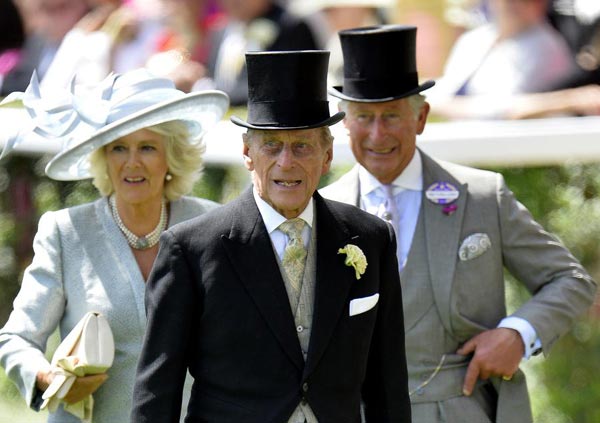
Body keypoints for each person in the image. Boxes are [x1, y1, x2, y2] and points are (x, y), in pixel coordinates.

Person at [320, 25, 597, 422]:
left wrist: (517, 334)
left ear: (421, 117)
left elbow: (571, 281)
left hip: (461, 408)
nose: (378, 134)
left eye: (392, 116)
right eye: (364, 117)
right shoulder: (323, 210)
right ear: (345, 124)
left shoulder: (482, 195)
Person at [131, 50, 411, 422]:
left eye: (302, 146)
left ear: (326, 156)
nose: (286, 162)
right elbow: (157, 390)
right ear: (248, 152)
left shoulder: (371, 239)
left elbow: (387, 384)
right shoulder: (191, 249)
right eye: (272, 145)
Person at [0, 69, 229, 422]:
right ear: (104, 157)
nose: (131, 162)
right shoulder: (66, 232)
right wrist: (49, 379)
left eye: (147, 147)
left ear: (171, 155)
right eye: (118, 147)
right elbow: (16, 338)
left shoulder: (211, 226)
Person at [428, 0, 575, 119]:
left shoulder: (546, 47)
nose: (513, 4)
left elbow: (506, 108)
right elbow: (446, 88)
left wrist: (442, 105)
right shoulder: (474, 39)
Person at [202, 0, 319, 106]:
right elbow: (213, 76)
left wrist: (205, 89)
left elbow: (277, 88)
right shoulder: (220, 31)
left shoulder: (290, 27)